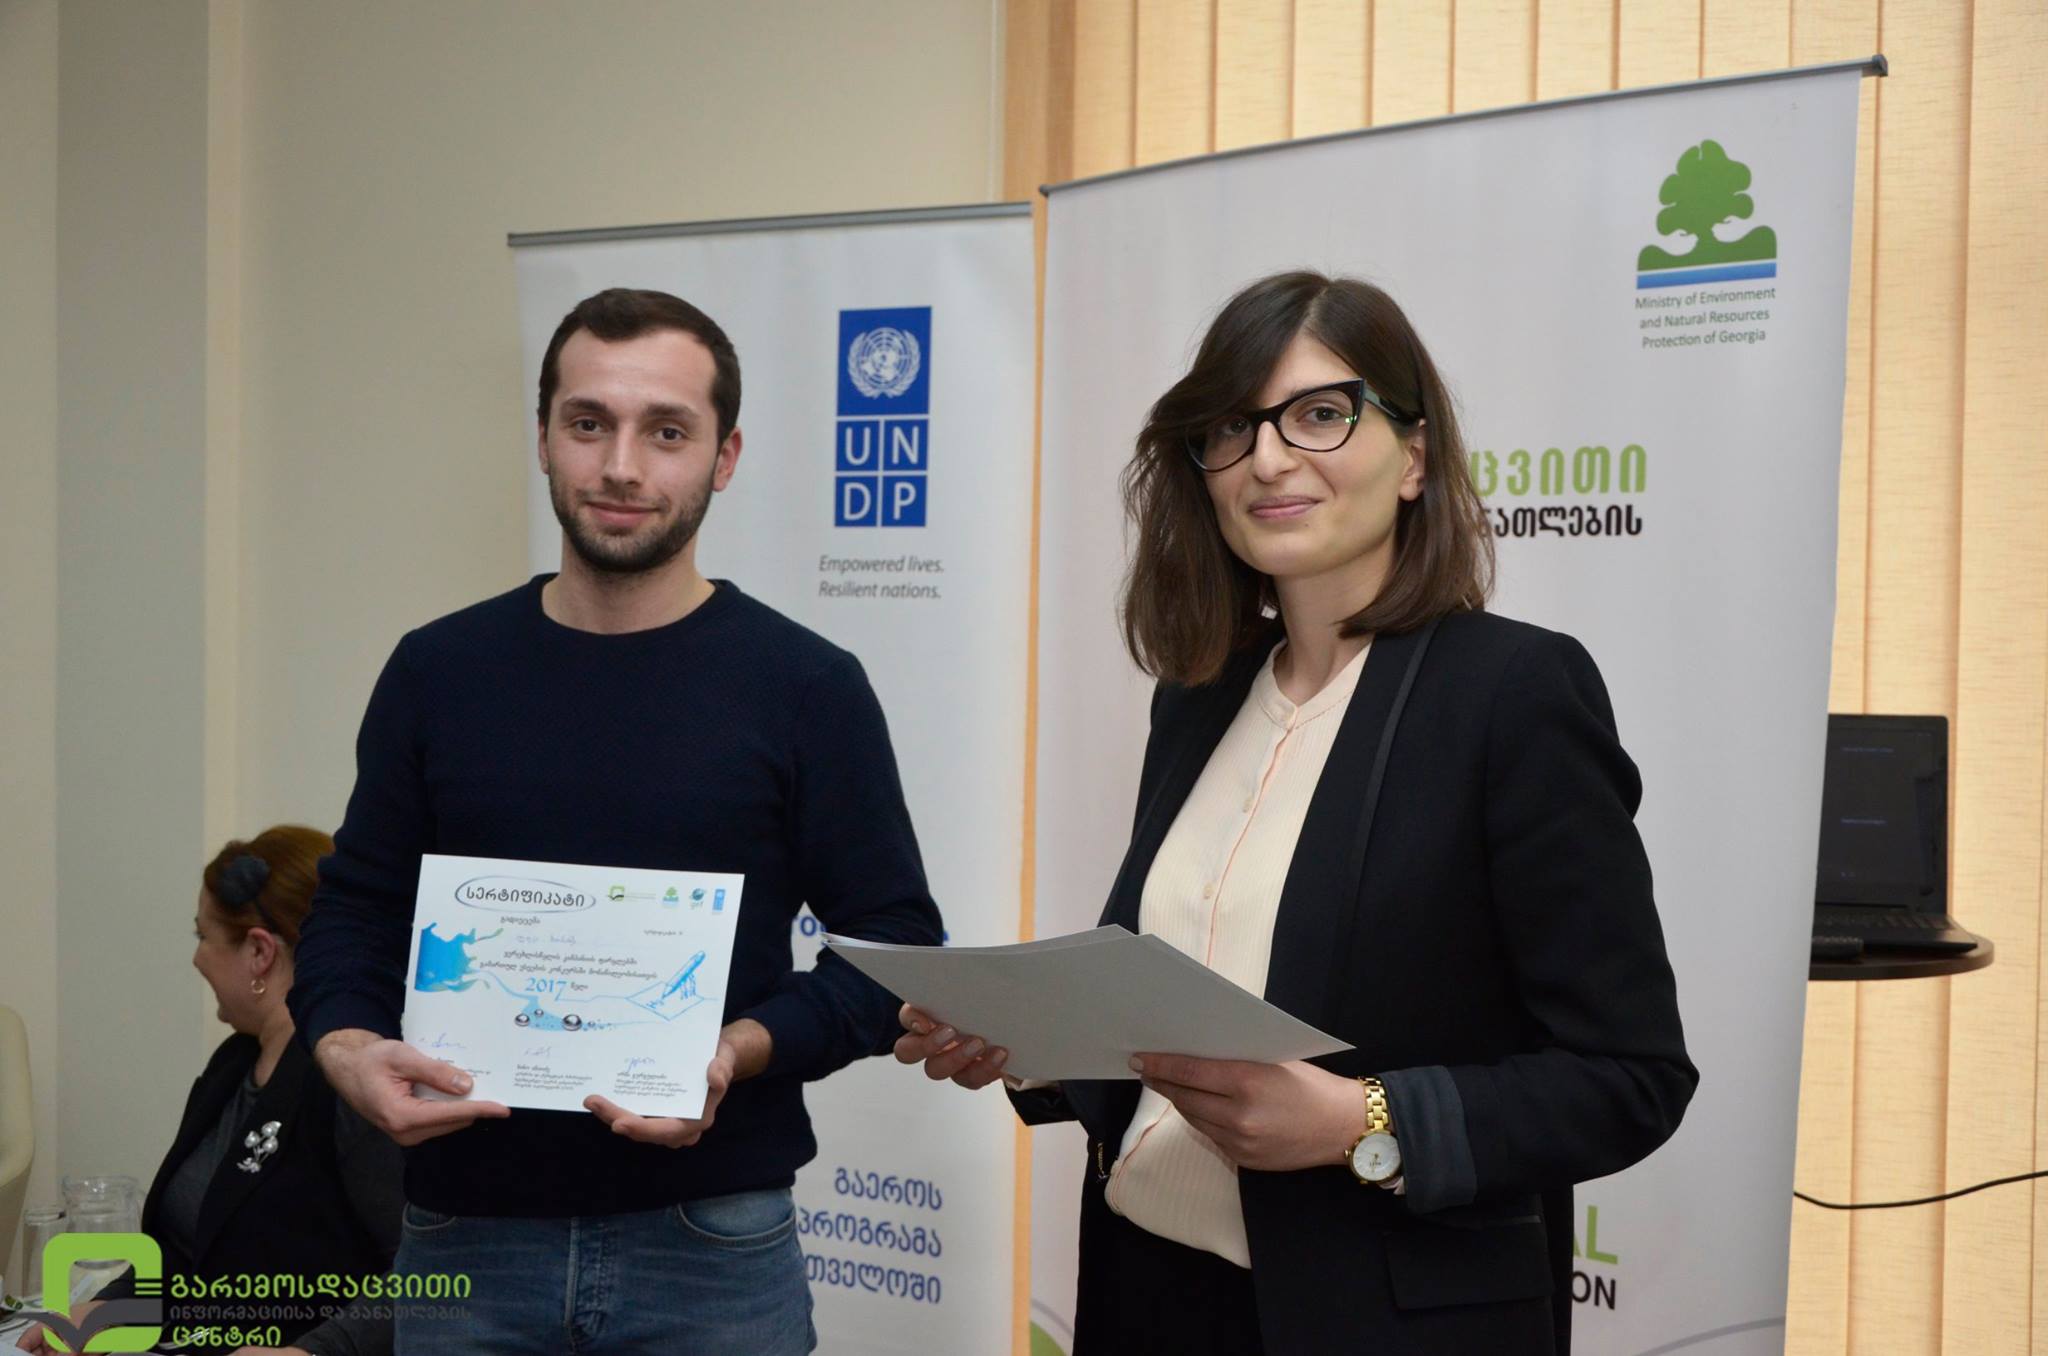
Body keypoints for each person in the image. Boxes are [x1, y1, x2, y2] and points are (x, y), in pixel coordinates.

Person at [895, 272, 1697, 1354]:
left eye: (1320, 414)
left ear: (1413, 459)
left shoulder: (1511, 693)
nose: (1268, 459)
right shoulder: (1200, 694)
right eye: (1233, 427)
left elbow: (1628, 1078)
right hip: (1147, 1293)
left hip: (1371, 1320)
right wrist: (1032, 1040)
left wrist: (1360, 1121)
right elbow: (1173, 1011)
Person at [286, 288, 944, 1355]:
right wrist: (348, 1047)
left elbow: (894, 945)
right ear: (544, 439)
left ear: (725, 457)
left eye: (667, 432)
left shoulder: (805, 686)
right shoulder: (438, 671)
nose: (622, 466)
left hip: (712, 1244)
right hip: (466, 1236)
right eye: (588, 423)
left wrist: (735, 1051)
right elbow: (356, 908)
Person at [18, 827, 401, 1356]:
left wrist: (316, 1352)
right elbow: (187, 1257)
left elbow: (425, 1272)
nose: (197, 958)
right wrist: (107, 1310)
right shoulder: (232, 1065)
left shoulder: (349, 1084)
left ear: (259, 952)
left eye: (203, 936)